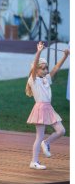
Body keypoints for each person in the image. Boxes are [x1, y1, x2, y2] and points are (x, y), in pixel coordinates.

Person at [26, 42, 69, 170]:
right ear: (36, 69)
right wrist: (39, 51)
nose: (46, 70)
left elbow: (56, 68)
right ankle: (34, 161)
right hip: (40, 109)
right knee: (39, 136)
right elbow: (34, 67)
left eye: (46, 68)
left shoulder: (46, 79)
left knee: (61, 130)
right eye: (42, 68)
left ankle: (47, 142)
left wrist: (65, 56)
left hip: (48, 108)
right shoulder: (33, 80)